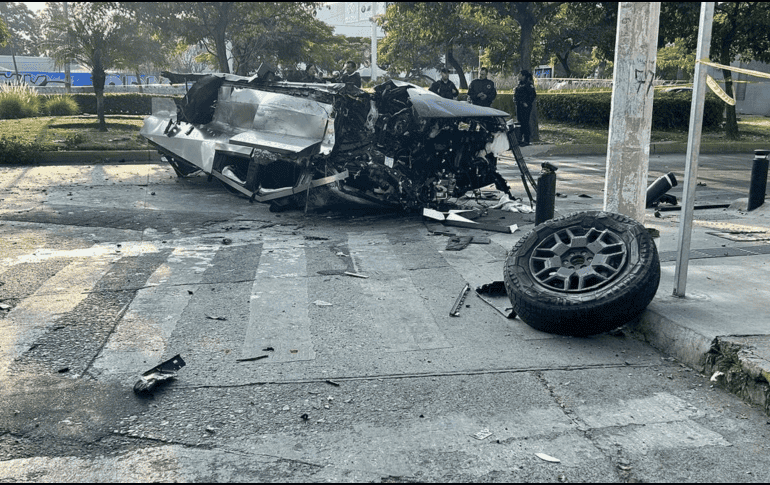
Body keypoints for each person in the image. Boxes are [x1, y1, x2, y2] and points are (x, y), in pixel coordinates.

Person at [514, 69, 537, 146]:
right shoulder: (519, 84)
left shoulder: (528, 84)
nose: (519, 76)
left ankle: (526, 139)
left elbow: (533, 95)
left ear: (524, 76)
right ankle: (520, 138)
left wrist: (527, 103)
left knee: (525, 122)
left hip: (525, 107)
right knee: (520, 122)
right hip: (519, 106)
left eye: (520, 75)